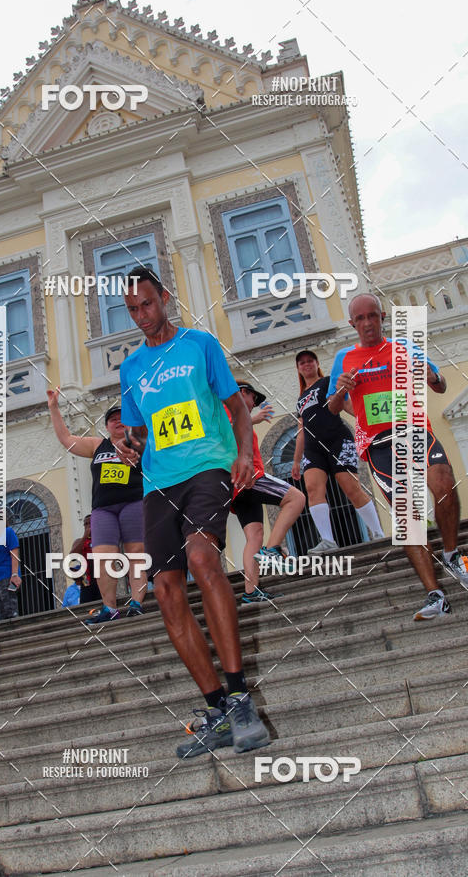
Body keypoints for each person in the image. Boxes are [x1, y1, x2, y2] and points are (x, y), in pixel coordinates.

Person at [115, 266, 270, 759]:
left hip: (207, 465)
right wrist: (129, 447)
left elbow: (237, 408)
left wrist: (244, 454)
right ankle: (219, 708)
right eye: (133, 310)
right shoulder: (131, 369)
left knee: (203, 559)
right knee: (164, 589)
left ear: (165, 298)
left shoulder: (200, 344)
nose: (142, 316)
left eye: (148, 305)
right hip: (160, 481)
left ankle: (241, 697)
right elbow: (139, 431)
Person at [327, 293, 468, 620]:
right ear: (352, 324)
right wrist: (342, 391)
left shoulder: (404, 347)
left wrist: (431, 375)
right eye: (361, 319)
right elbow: (331, 408)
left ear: (382, 316)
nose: (368, 323)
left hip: (415, 432)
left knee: (443, 483)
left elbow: (440, 385)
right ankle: (435, 594)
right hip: (379, 445)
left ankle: (453, 554)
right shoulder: (344, 358)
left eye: (373, 316)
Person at [46, 395, 147, 621]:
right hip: (103, 509)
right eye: (112, 419)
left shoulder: (141, 440)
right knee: (103, 558)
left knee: (136, 555)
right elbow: (65, 438)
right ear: (106, 426)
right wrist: (54, 408)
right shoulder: (96, 445)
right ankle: (110, 608)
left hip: (133, 502)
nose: (118, 421)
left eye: (122, 417)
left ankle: (137, 602)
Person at [291, 349, 383, 552]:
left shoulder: (327, 383)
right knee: (313, 489)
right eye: (302, 363)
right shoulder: (300, 399)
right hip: (313, 449)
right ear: (298, 369)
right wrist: (296, 461)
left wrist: (366, 420)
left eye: (310, 361)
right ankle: (328, 540)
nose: (306, 365)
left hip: (338, 441)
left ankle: (377, 533)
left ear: (316, 364)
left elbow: (346, 403)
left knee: (351, 487)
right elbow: (301, 430)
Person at [227, 381, 306, 600]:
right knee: (296, 498)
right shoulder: (228, 409)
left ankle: (251, 591)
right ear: (244, 393)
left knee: (254, 536)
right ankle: (272, 550)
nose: (254, 405)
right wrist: (251, 419)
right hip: (250, 477)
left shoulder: (237, 414)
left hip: (238, 486)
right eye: (254, 399)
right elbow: (224, 433)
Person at [69, 514, 102, 606]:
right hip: (86, 581)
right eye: (85, 524)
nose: (88, 526)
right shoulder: (79, 541)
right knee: (86, 609)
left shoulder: (101, 539)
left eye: (90, 523)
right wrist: (85, 537)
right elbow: (72, 556)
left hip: (101, 579)